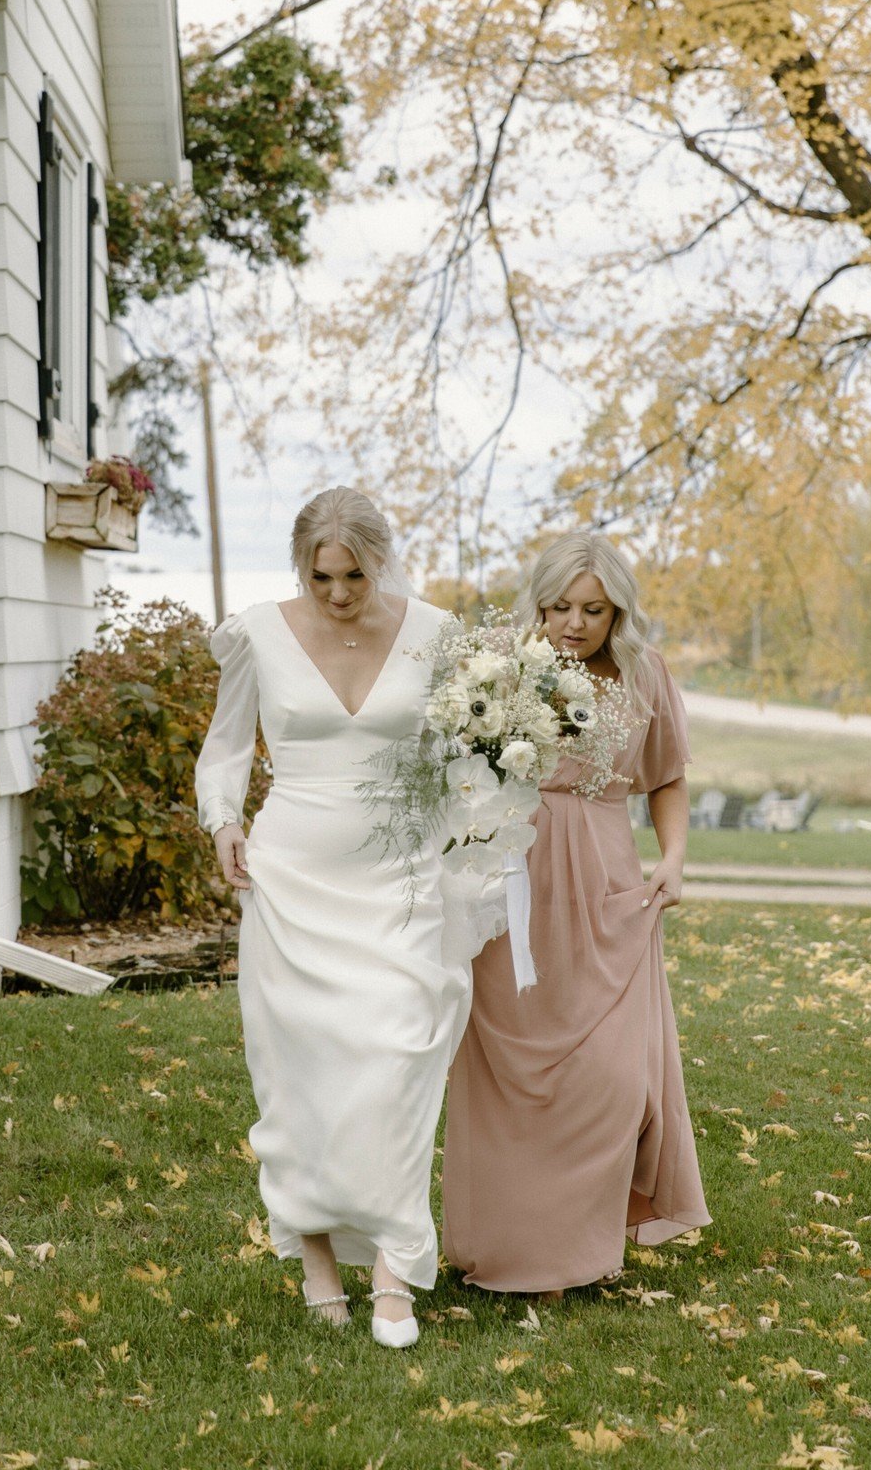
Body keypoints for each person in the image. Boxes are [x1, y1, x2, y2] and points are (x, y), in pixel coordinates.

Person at [195, 486, 470, 1347]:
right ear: (299, 568)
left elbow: (466, 753)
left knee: (398, 1056)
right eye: (322, 578)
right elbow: (225, 745)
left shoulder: (437, 635)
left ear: (380, 563)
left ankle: (394, 1262)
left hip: (404, 874)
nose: (339, 594)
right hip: (291, 876)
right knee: (301, 1075)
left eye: (354, 576)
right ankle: (317, 1262)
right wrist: (225, 820)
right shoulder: (258, 632)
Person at [442, 531, 710, 1292]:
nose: (574, 622)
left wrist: (674, 859)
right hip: (511, 885)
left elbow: (667, 780)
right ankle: (508, 1251)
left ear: (617, 609)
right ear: (539, 603)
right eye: (559, 605)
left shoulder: (644, 675)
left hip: (606, 893)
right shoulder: (502, 663)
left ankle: (582, 1249)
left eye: (593, 609)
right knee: (509, 1076)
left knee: (612, 1078)